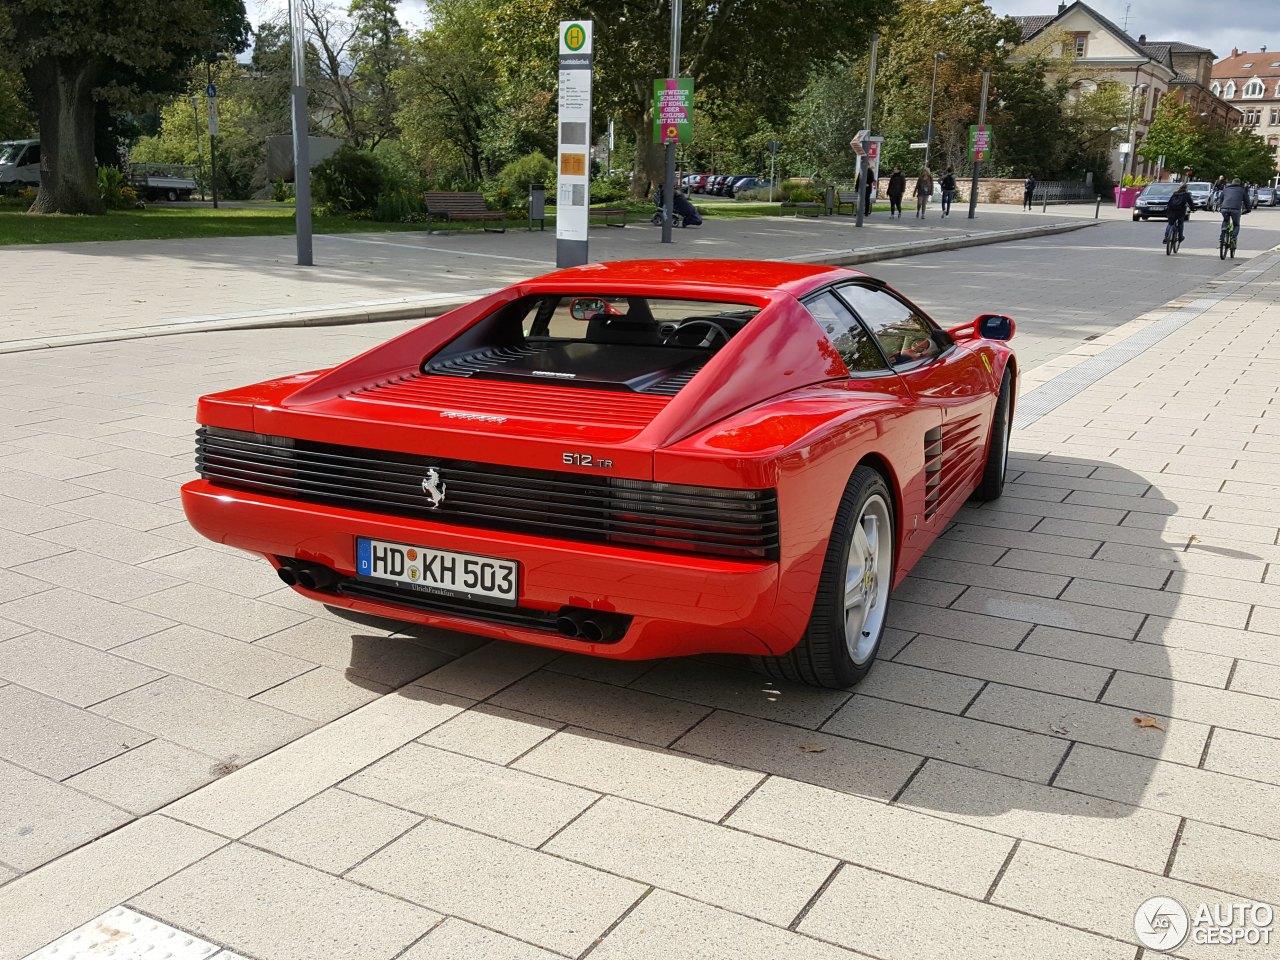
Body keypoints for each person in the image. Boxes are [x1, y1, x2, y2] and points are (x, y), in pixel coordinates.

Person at [1218, 177, 1251, 244]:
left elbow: (1220, 200)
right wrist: (1247, 210)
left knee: (1225, 220)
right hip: (1236, 209)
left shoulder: (1226, 189)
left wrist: (1219, 207)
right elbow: (1247, 201)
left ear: (1232, 183)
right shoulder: (1242, 190)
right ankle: (1233, 238)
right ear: (1239, 183)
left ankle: (1222, 236)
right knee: (1236, 225)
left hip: (1224, 209)